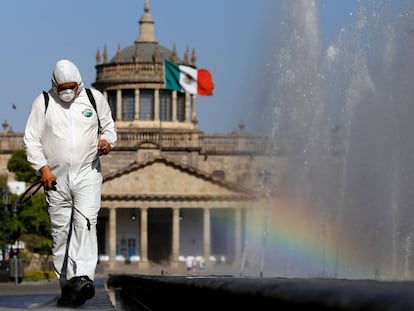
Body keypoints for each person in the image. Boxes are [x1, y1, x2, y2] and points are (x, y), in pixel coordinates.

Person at [23, 59, 117, 307]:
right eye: (62, 87)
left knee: (85, 222)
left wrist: (107, 142)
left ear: (79, 83)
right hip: (55, 178)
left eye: (71, 86)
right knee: (61, 233)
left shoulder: (94, 99)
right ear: (54, 85)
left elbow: (109, 128)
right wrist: (42, 168)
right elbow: (31, 140)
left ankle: (82, 277)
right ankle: (68, 286)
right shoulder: (43, 103)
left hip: (87, 174)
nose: (67, 91)